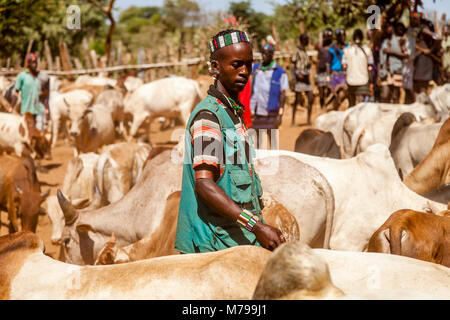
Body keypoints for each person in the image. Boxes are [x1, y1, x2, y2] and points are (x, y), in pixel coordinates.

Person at [174, 29, 285, 254]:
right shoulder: (209, 117)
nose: (245, 71)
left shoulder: (231, 113)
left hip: (232, 237)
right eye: (236, 65)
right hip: (215, 245)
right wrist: (256, 226)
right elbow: (205, 185)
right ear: (215, 67)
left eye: (248, 64)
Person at [250, 41, 289, 148]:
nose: (264, 56)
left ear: (272, 55)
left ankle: (274, 164)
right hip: (256, 113)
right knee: (257, 144)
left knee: (273, 144)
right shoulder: (255, 69)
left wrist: (280, 115)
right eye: (262, 53)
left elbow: (283, 95)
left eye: (266, 53)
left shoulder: (280, 72)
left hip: (271, 114)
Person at [10, 53, 49, 131]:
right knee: (27, 133)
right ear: (28, 63)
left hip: (39, 109)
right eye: (32, 62)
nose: (34, 65)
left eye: (35, 62)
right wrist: (11, 107)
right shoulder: (22, 76)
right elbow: (16, 93)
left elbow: (44, 94)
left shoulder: (41, 76)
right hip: (26, 110)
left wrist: (46, 108)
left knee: (39, 132)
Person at [342, 29, 374, 108]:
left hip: (351, 81)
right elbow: (370, 68)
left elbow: (344, 67)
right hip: (363, 81)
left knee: (351, 105)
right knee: (361, 106)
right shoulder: (367, 50)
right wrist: (371, 82)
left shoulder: (347, 50)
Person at [380, 21, 407, 103]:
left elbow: (406, 55)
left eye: (389, 27)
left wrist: (391, 52)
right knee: (385, 95)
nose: (388, 29)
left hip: (396, 71)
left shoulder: (400, 40)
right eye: (386, 27)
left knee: (395, 96)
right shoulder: (384, 41)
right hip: (385, 71)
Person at [291, 33, 314, 125]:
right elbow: (292, 65)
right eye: (306, 39)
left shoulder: (305, 51)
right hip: (299, 79)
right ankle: (293, 121)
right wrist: (294, 78)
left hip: (306, 79)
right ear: (303, 40)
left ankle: (308, 120)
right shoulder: (296, 51)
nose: (308, 41)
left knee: (311, 98)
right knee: (297, 100)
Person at [329, 28, 347, 110]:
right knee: (334, 94)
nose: (343, 37)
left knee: (344, 93)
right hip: (335, 74)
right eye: (341, 36)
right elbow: (328, 63)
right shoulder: (332, 49)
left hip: (345, 74)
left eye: (344, 35)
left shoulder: (347, 48)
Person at [316, 28, 333, 109]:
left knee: (329, 90)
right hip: (321, 72)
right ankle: (322, 106)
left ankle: (327, 105)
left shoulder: (332, 48)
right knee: (321, 92)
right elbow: (318, 61)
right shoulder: (320, 48)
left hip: (329, 72)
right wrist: (316, 73)